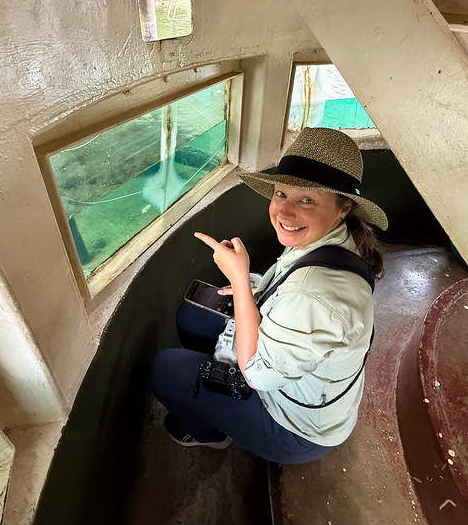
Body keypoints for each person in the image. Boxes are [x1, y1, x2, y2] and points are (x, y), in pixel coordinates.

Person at [151, 127, 388, 464]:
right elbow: (296, 289)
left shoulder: (312, 295)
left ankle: (210, 432)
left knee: (164, 369)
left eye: (307, 199)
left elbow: (257, 375)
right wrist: (256, 290)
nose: (285, 213)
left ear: (343, 208)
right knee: (190, 317)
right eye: (281, 194)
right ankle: (213, 396)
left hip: (295, 429)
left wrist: (239, 279)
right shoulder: (330, 239)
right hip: (304, 383)